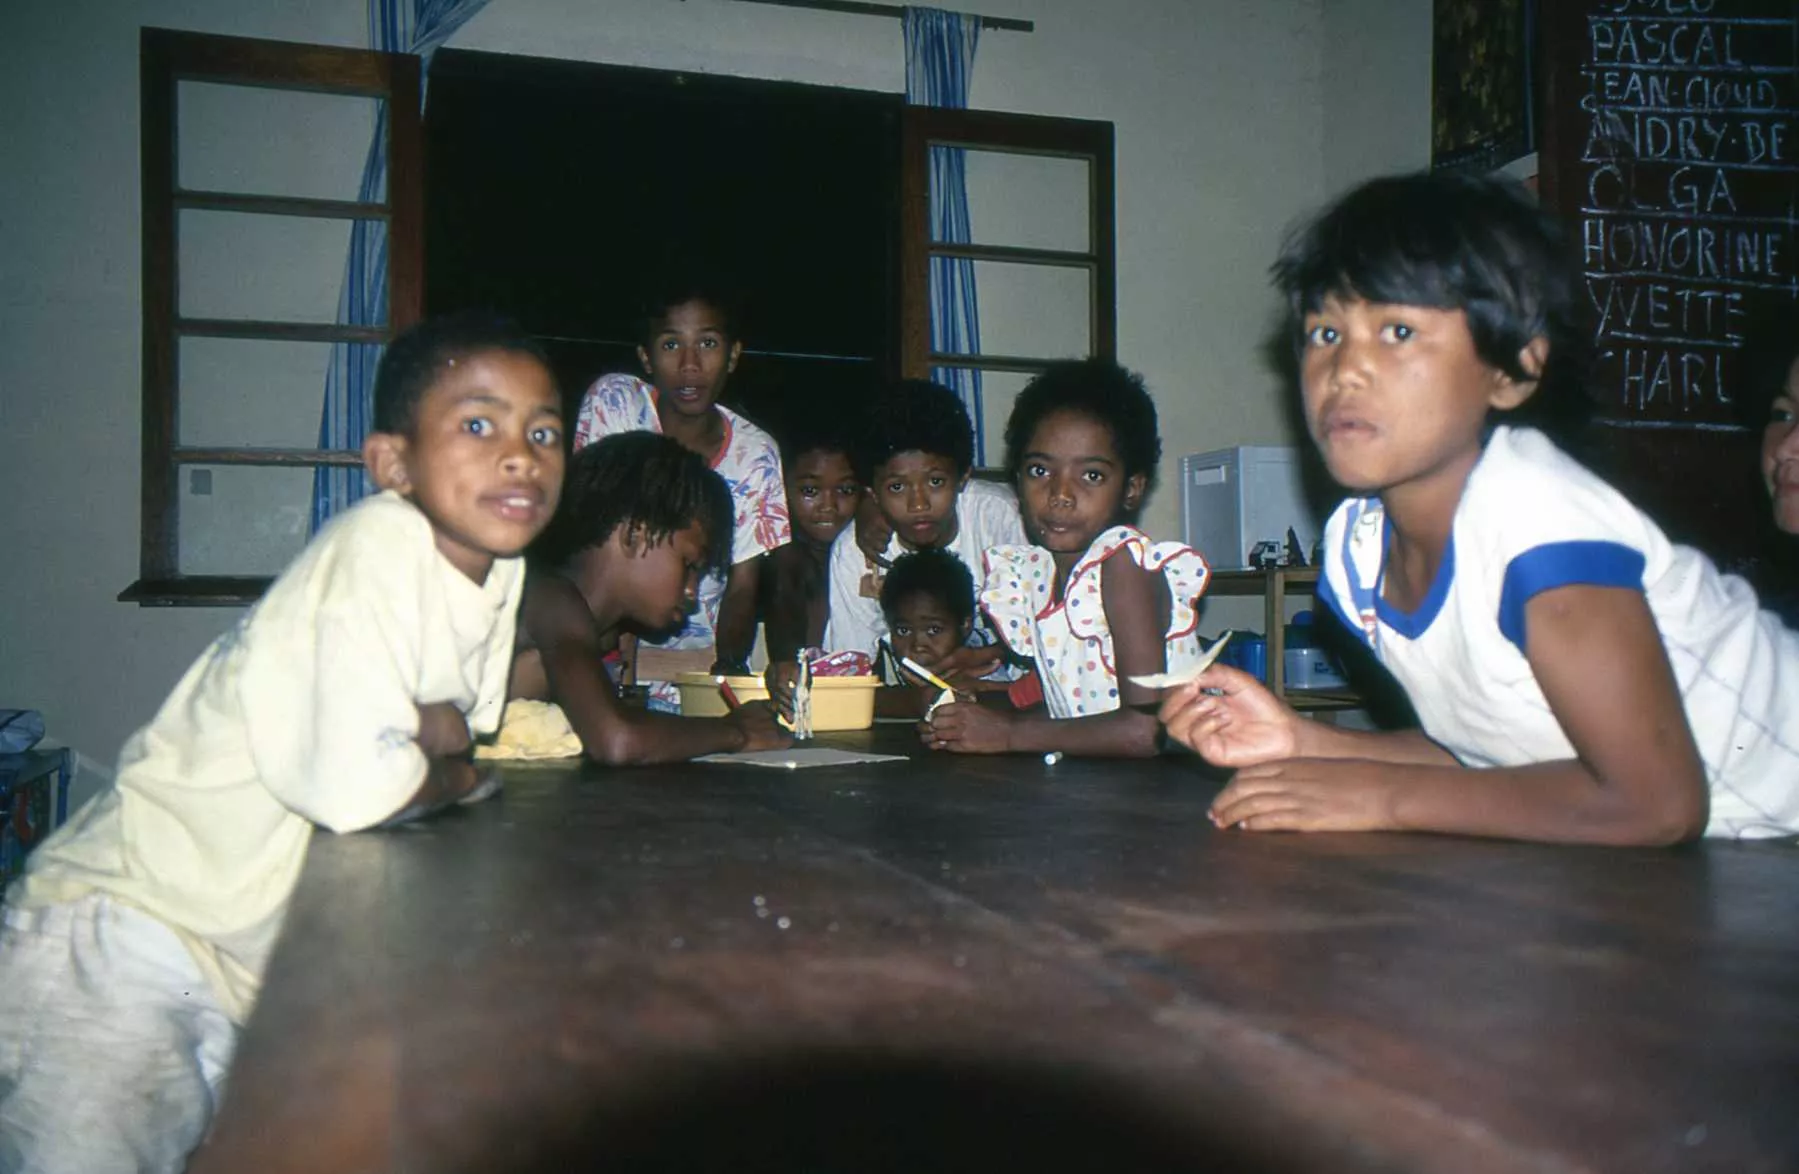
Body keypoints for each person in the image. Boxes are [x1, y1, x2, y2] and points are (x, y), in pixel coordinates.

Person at [0, 312, 564, 1170]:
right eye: (479, 424)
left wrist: (431, 747)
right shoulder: (377, 546)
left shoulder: (501, 572)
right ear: (392, 464)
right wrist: (441, 769)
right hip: (125, 925)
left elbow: (456, 729)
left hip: (230, 950)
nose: (521, 453)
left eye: (545, 430)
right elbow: (367, 784)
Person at [1158, 171, 1799, 844]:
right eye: (1323, 334)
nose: (1344, 368)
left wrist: (1383, 795)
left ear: (1512, 371)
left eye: (1397, 330)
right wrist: (1298, 740)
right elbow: (1498, 757)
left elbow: (1656, 803)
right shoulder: (1358, 550)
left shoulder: (1536, 520)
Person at [923, 359, 1210, 758]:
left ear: (1131, 488)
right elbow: (1074, 700)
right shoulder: (1040, 572)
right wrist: (973, 716)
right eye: (1040, 470)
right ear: (1017, 479)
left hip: (1170, 792)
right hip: (1104, 789)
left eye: (1091, 475)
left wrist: (1007, 734)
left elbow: (1146, 730)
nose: (1060, 494)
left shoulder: (1123, 565)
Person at [508, 433, 790, 763]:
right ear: (634, 536)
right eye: (688, 565)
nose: (692, 592)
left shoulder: (600, 636)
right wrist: (736, 732)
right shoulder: (552, 599)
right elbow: (617, 740)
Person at [571, 281, 789, 701]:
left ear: (733, 356)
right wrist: (611, 639)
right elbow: (590, 534)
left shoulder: (757, 454)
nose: (690, 364)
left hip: (695, 668)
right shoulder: (615, 404)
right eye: (671, 345)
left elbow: (743, 584)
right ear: (645, 357)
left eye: (707, 343)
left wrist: (727, 668)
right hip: (599, 648)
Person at [822, 379, 1026, 682]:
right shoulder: (855, 552)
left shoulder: (1003, 519)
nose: (918, 504)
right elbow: (850, 677)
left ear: (962, 478)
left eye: (935, 482)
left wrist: (992, 654)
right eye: (897, 487)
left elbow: (1049, 633)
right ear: (873, 494)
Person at [760, 422, 861, 666]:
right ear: (782, 488)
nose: (828, 506)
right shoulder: (782, 563)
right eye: (810, 490)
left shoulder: (864, 557)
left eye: (845, 490)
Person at [875, 548, 1012, 718]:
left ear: (965, 625)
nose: (918, 645)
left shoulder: (984, 665)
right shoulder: (885, 654)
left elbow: (1005, 705)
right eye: (903, 630)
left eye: (934, 630)